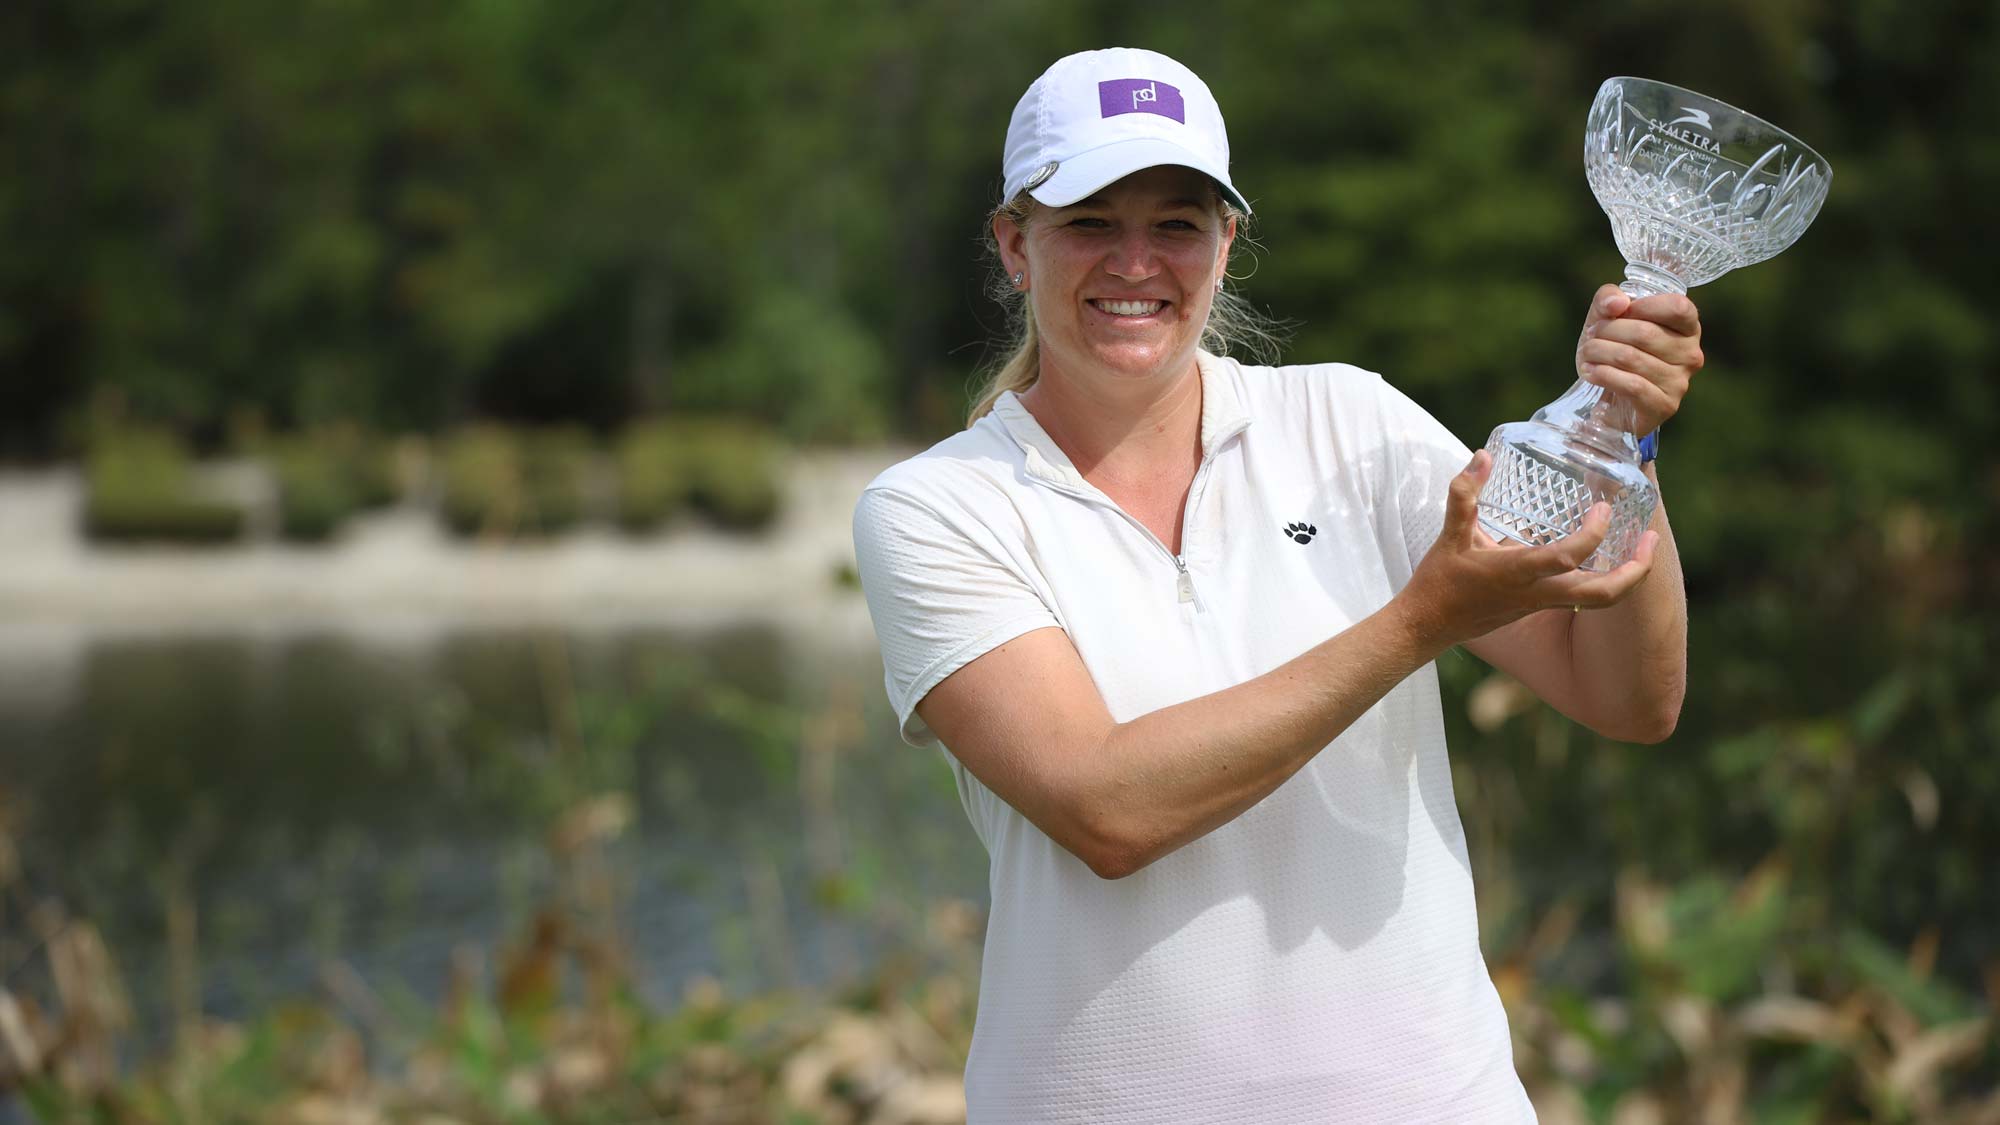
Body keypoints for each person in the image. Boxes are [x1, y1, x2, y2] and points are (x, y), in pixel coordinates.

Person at [851, 47, 1702, 1123]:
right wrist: (1415, 624)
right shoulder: (935, 509)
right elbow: (1104, 808)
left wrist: (1621, 440)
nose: (1133, 262)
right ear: (1014, 246)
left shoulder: (1353, 421)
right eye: (1086, 222)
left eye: (1174, 223)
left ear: (1225, 244)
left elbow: (1627, 699)